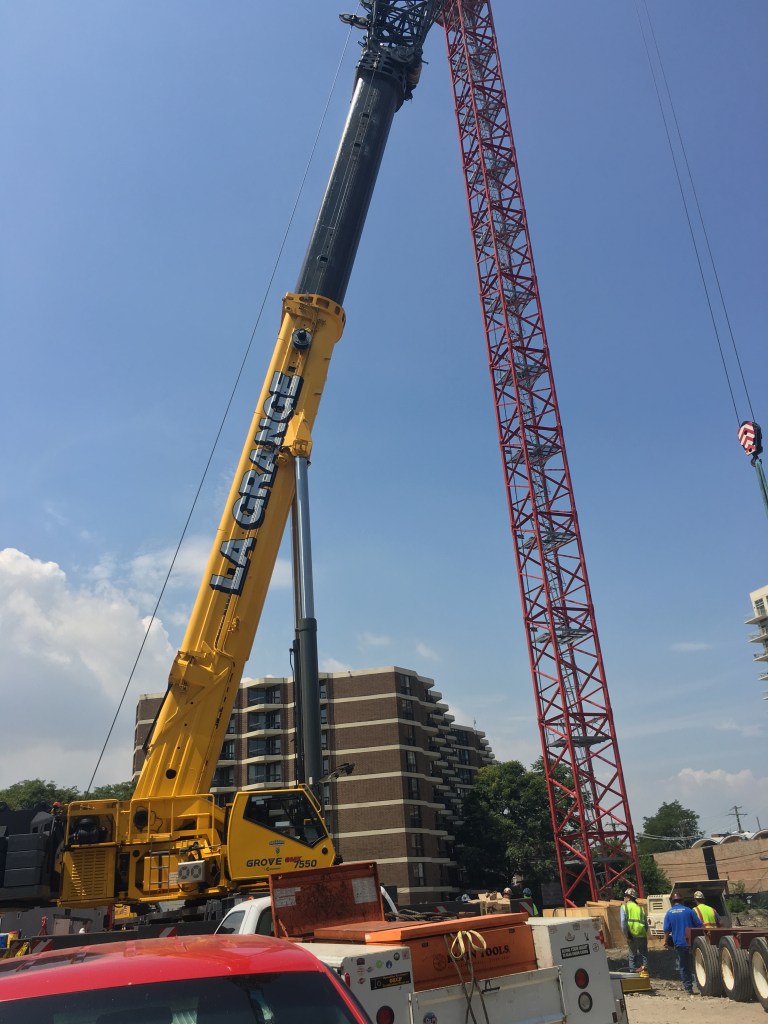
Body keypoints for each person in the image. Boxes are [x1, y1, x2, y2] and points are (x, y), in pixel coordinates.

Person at [663, 891, 701, 995]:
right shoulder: (689, 911)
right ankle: (700, 985)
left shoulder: (669, 913)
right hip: (692, 943)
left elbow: (666, 930)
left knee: (683, 966)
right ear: (682, 901)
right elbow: (699, 925)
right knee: (696, 964)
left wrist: (666, 942)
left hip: (679, 943)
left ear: (672, 901)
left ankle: (688, 988)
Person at [620, 888, 649, 977]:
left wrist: (627, 936)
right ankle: (645, 973)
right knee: (644, 955)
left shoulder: (624, 907)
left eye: (625, 896)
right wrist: (643, 932)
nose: (624, 898)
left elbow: (623, 923)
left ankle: (633, 975)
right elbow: (646, 924)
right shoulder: (640, 908)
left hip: (632, 935)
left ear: (628, 897)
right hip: (642, 934)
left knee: (632, 955)